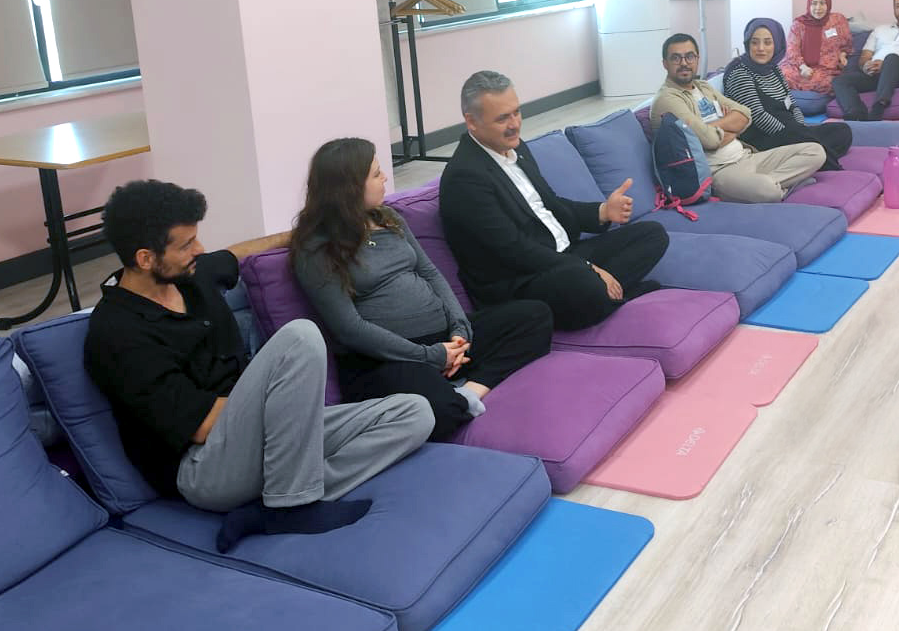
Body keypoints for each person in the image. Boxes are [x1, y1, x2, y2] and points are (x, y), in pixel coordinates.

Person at [84, 180, 433, 554]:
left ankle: (273, 505)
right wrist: (282, 403)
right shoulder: (117, 333)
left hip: (261, 437)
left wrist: (299, 236)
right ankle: (293, 505)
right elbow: (200, 426)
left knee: (414, 414)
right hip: (205, 468)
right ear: (145, 258)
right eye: (186, 245)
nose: (199, 250)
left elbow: (235, 254)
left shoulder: (190, 275)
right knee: (300, 337)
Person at [291, 138, 552, 441]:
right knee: (440, 412)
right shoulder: (316, 249)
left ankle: (470, 390)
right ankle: (450, 391)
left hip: (442, 342)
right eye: (376, 174)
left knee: (536, 316)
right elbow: (350, 329)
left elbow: (430, 273)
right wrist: (429, 356)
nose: (385, 178)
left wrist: (459, 329)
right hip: (386, 359)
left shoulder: (389, 219)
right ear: (348, 188)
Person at [440, 70, 669, 332]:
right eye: (502, 118)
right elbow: (513, 250)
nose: (514, 124)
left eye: (516, 112)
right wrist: (588, 268)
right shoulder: (464, 178)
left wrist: (603, 211)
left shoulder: (516, 148)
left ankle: (608, 295)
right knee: (583, 284)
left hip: (562, 256)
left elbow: (551, 204)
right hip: (521, 278)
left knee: (653, 235)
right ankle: (613, 293)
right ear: (472, 121)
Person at [652, 33, 826, 204]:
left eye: (689, 56)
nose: (684, 63)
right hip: (719, 171)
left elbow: (745, 114)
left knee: (815, 151)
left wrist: (714, 127)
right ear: (665, 63)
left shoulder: (703, 87)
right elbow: (710, 140)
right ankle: (783, 184)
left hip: (746, 156)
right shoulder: (667, 99)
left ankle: (775, 184)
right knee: (768, 190)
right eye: (676, 58)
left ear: (697, 59)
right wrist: (731, 127)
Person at [721, 18, 852, 169]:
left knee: (842, 131)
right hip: (763, 137)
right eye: (754, 42)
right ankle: (827, 164)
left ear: (776, 44)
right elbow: (758, 116)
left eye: (767, 42)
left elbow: (791, 104)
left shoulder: (774, 69)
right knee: (809, 143)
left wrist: (802, 128)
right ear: (747, 43)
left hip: (791, 130)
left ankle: (807, 157)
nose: (761, 48)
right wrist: (795, 134)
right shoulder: (739, 72)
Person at [779, 0, 854, 114]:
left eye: (822, 3)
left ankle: (794, 91)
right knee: (780, 74)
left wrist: (842, 55)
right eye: (814, 3)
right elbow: (792, 49)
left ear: (828, 3)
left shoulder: (838, 20)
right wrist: (803, 67)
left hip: (825, 70)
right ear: (809, 4)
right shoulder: (799, 24)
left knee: (830, 82)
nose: (818, 8)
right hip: (798, 67)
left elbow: (846, 44)